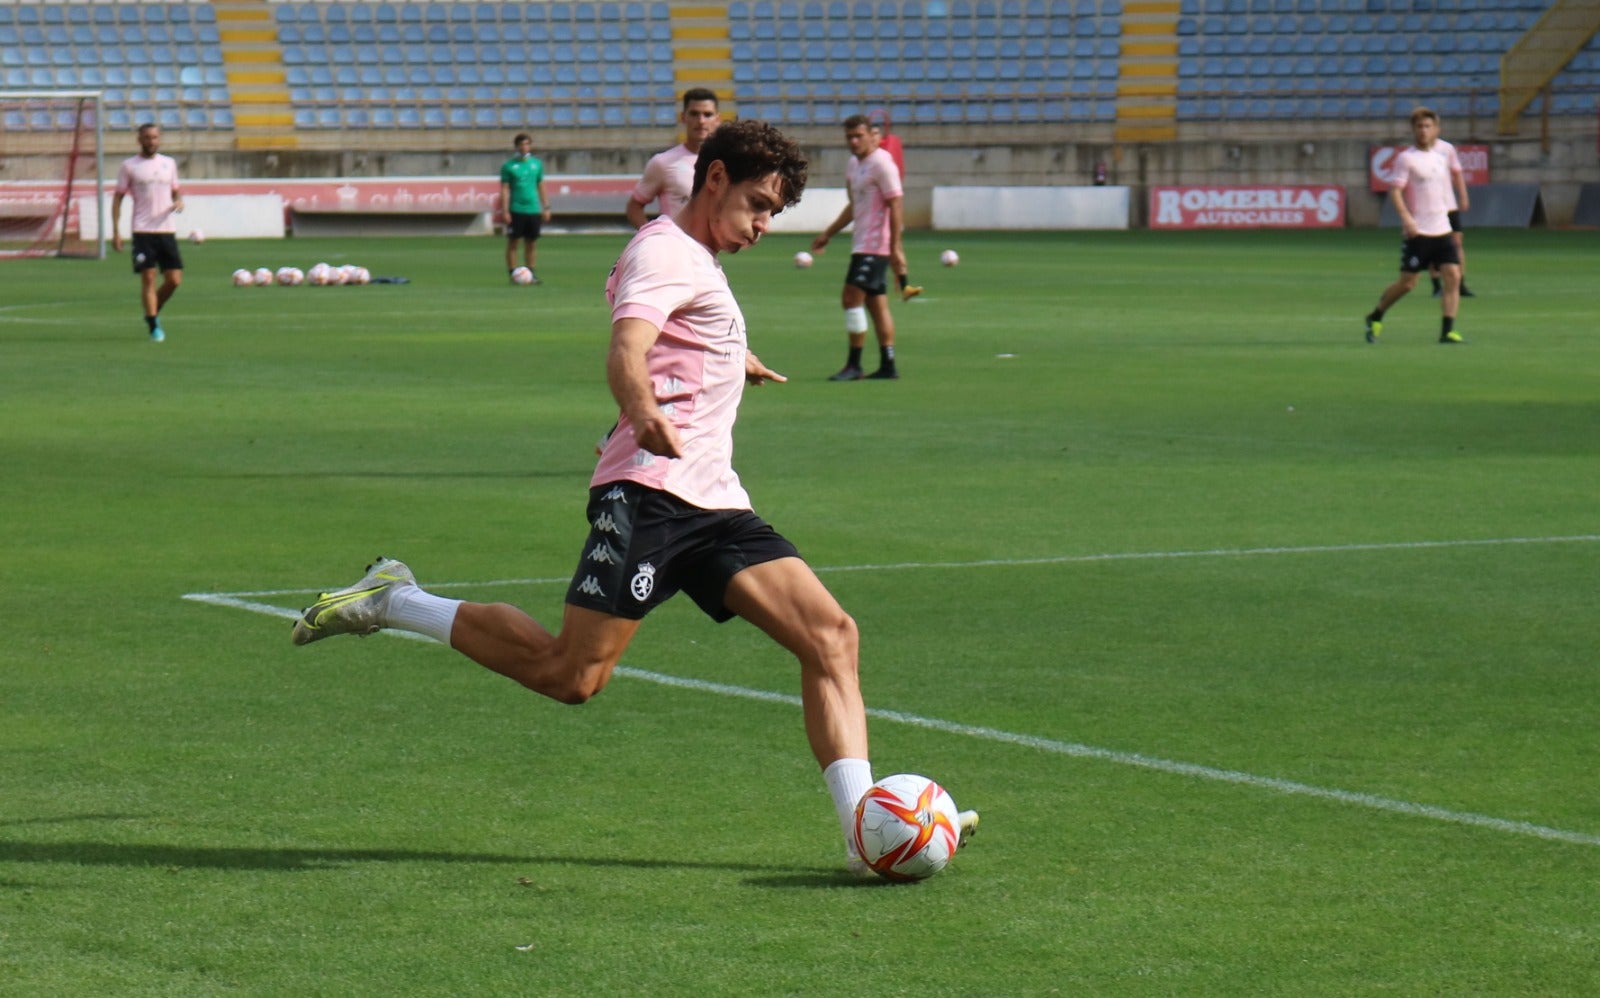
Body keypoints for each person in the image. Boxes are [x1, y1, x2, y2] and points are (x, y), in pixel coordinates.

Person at [290, 119, 977, 876]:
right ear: (715, 178)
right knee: (571, 676)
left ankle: (862, 836)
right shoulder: (665, 251)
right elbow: (628, 347)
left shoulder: (694, 258)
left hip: (714, 501)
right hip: (650, 494)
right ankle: (395, 600)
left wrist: (730, 357)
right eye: (757, 204)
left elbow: (681, 333)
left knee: (832, 637)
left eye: (774, 214)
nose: (762, 226)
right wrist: (643, 408)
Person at [811, 114, 908, 381]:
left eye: (858, 136)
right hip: (862, 243)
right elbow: (854, 205)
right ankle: (888, 365)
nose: (853, 142)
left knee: (850, 298)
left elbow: (896, 203)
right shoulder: (855, 164)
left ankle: (854, 365)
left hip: (875, 245)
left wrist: (895, 247)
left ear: (872, 136)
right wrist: (828, 234)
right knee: (877, 304)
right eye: (849, 137)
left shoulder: (882, 164)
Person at [1364, 107, 1466, 346]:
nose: (1423, 131)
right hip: (1418, 232)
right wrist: (1407, 219)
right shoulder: (1406, 158)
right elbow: (1395, 192)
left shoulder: (1441, 158)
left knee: (1453, 275)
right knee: (1408, 283)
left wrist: (1451, 214)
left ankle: (1447, 331)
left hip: (1442, 229)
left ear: (1436, 129)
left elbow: (1442, 191)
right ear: (1413, 130)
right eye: (1419, 126)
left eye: (1428, 126)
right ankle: (1376, 314)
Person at [111, 122, 184, 343]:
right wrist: (116, 231)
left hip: (166, 229)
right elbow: (117, 198)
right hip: (142, 230)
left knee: (174, 280)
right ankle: (153, 325)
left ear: (159, 139)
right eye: (147, 137)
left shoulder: (169, 164)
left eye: (154, 137)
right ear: (139, 140)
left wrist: (179, 201)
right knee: (149, 277)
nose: (151, 141)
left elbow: (175, 191)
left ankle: (152, 309)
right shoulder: (129, 166)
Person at [625, 88, 722, 229]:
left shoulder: (727, 163)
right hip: (675, 241)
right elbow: (634, 207)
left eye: (707, 115)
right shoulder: (663, 162)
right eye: (694, 114)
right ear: (683, 117)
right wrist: (651, 234)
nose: (701, 121)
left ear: (717, 119)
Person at [868, 111, 921, 302]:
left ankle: (903, 283)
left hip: (886, 211)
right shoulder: (864, 160)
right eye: (872, 134)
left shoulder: (882, 158)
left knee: (896, 246)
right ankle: (899, 282)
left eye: (877, 134)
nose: (875, 137)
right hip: (874, 216)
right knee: (887, 249)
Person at [500, 133, 551, 284]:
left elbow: (541, 186)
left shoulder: (536, 164)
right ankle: (512, 273)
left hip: (533, 209)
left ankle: (531, 272)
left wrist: (546, 206)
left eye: (527, 144)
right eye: (521, 144)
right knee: (513, 242)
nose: (524, 147)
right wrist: (505, 210)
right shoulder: (509, 166)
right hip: (516, 208)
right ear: (516, 146)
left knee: (531, 242)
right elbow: (504, 189)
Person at [1429, 130, 1474, 300]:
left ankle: (1460, 284)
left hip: (1448, 204)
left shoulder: (1446, 148)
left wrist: (1463, 195)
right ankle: (1436, 286)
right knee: (1431, 244)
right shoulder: (1415, 152)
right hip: (1429, 207)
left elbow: (1457, 173)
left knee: (1457, 242)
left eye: (1429, 126)